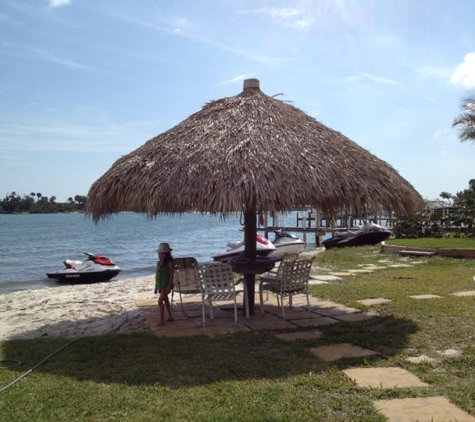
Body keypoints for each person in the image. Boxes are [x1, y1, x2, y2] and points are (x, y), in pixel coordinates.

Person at [154, 242, 175, 326]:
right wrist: (156, 286)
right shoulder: (159, 263)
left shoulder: (169, 262)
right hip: (160, 283)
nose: (161, 255)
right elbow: (157, 275)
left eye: (163, 254)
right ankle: (170, 316)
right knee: (165, 300)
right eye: (159, 253)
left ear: (167, 254)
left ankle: (162, 320)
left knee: (160, 301)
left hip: (166, 284)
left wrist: (169, 286)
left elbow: (171, 275)